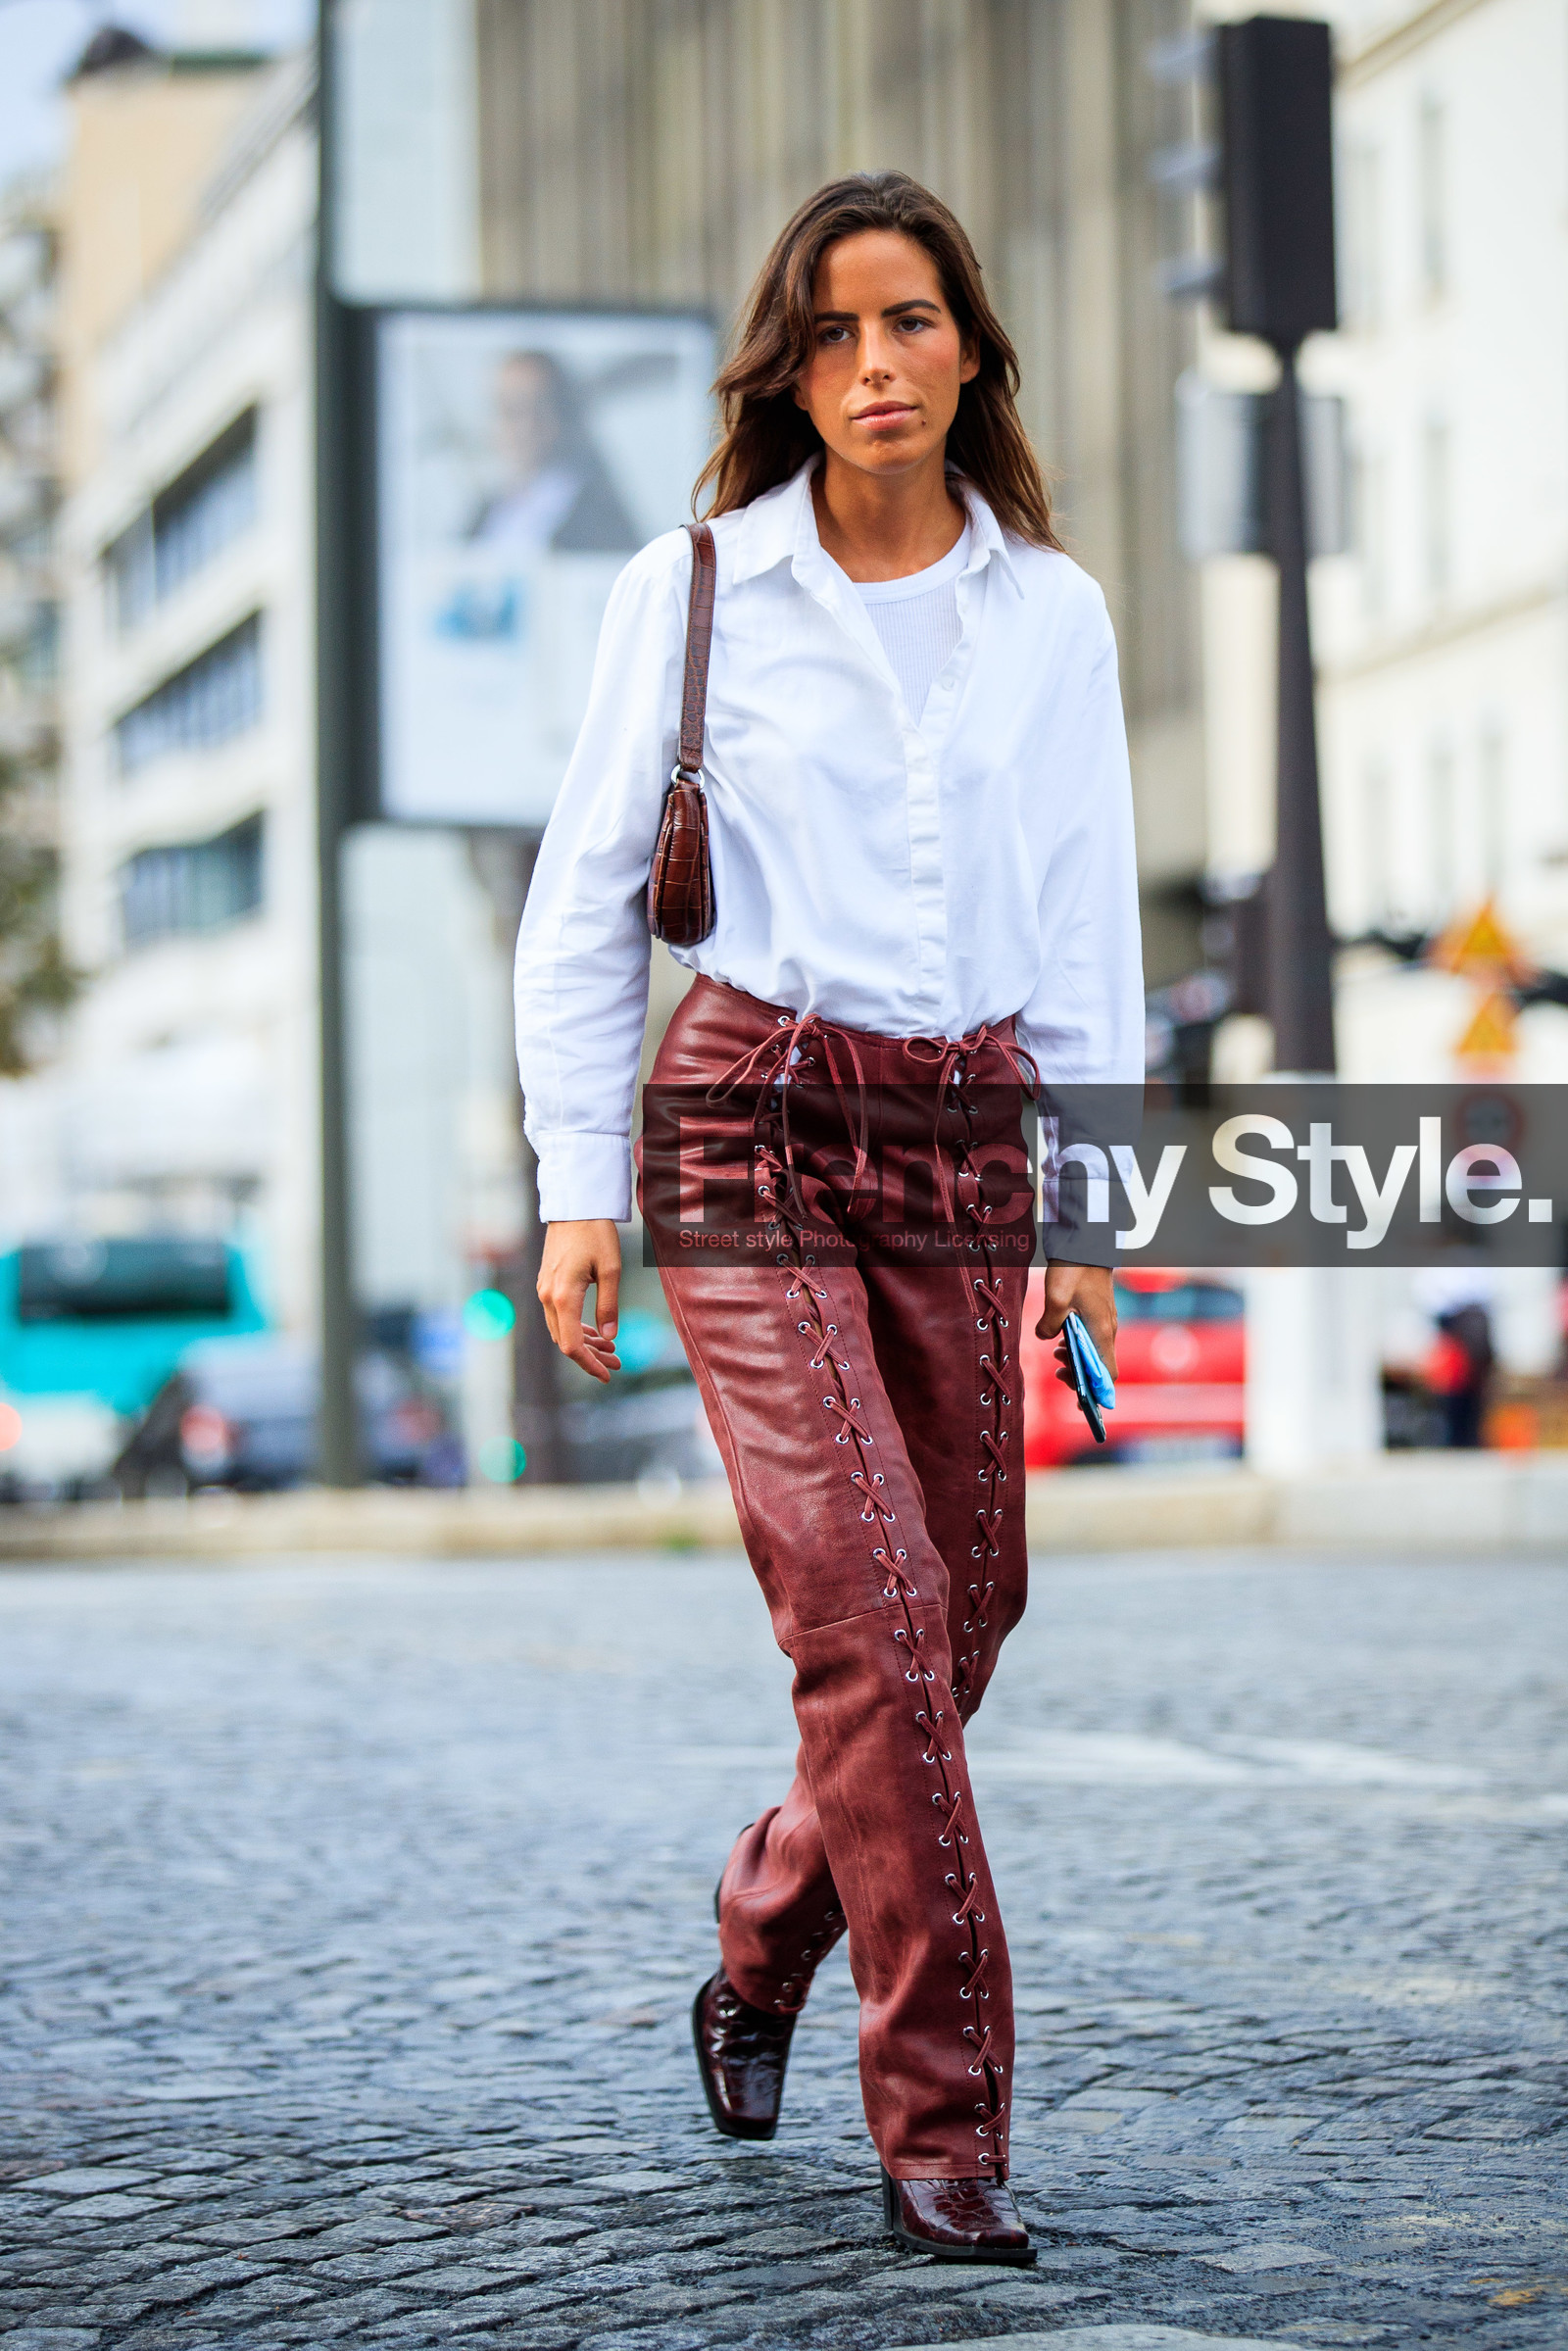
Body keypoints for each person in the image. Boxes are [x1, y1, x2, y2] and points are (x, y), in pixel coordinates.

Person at [514, 171, 1142, 2262]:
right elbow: (582, 903)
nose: (874, 365)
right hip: (748, 1120)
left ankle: (763, 1908)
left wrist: (1088, 1196)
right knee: (869, 1618)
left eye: (911, 322)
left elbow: (1083, 922)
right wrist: (575, 1189)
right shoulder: (696, 583)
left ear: (970, 347)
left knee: (966, 1609)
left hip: (966, 1129)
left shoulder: (1047, 612)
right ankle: (942, 2121)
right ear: (787, 367)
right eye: (833, 332)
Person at [468, 350, 640, 554]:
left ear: (561, 414)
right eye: (508, 410)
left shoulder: (596, 514)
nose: (524, 427)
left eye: (537, 408)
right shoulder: (486, 510)